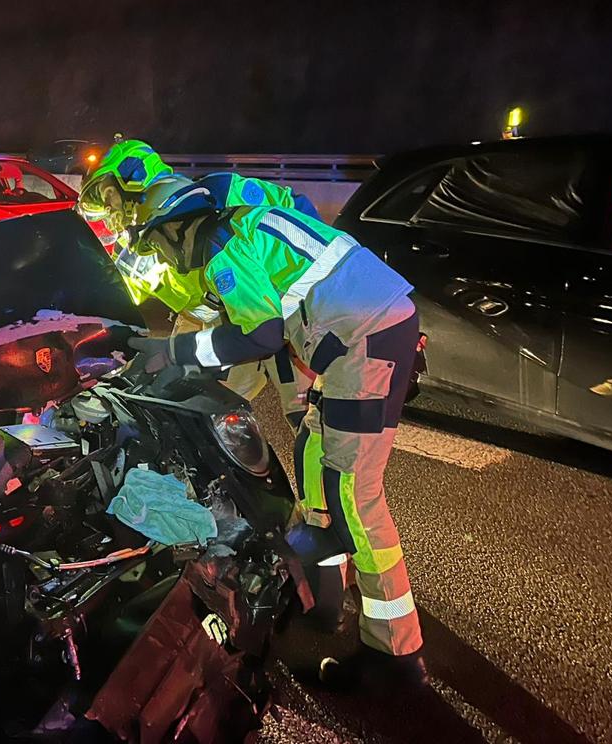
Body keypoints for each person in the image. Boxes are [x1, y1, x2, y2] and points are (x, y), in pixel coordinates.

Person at [126, 177, 427, 690]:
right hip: (362, 333)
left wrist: (171, 354)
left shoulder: (224, 245)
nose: (161, 255)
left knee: (353, 493)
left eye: (158, 242)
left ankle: (395, 654)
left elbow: (259, 334)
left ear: (178, 228)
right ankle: (328, 586)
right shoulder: (245, 226)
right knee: (313, 449)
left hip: (364, 339)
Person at [78, 141, 316, 427]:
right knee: (195, 413)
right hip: (223, 327)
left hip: (284, 312)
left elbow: (298, 212)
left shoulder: (222, 191)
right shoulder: (132, 249)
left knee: (308, 416)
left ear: (132, 175)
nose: (108, 211)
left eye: (107, 197)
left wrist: (301, 292)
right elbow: (114, 300)